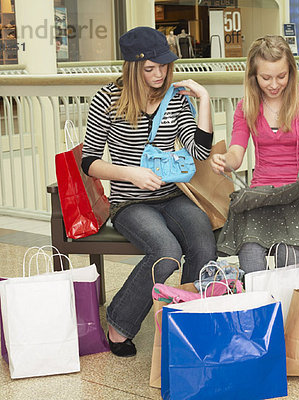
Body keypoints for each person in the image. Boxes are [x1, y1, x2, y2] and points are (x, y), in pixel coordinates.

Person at [81, 26, 216, 357]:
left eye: (163, 66)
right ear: (131, 68)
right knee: (166, 251)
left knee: (202, 241)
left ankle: (189, 321)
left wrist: (204, 100)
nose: (159, 74)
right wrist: (130, 174)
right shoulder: (107, 100)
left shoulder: (175, 98)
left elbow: (199, 152)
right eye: (149, 68)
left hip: (173, 195)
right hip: (130, 202)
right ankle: (119, 324)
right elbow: (88, 162)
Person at [210, 35, 299, 272]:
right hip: (262, 194)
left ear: (291, 72)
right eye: (266, 77)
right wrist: (225, 161)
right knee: (249, 249)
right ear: (254, 76)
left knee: (290, 250)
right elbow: (236, 154)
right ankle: (263, 305)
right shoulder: (246, 106)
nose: (274, 84)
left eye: (281, 76)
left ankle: (290, 306)